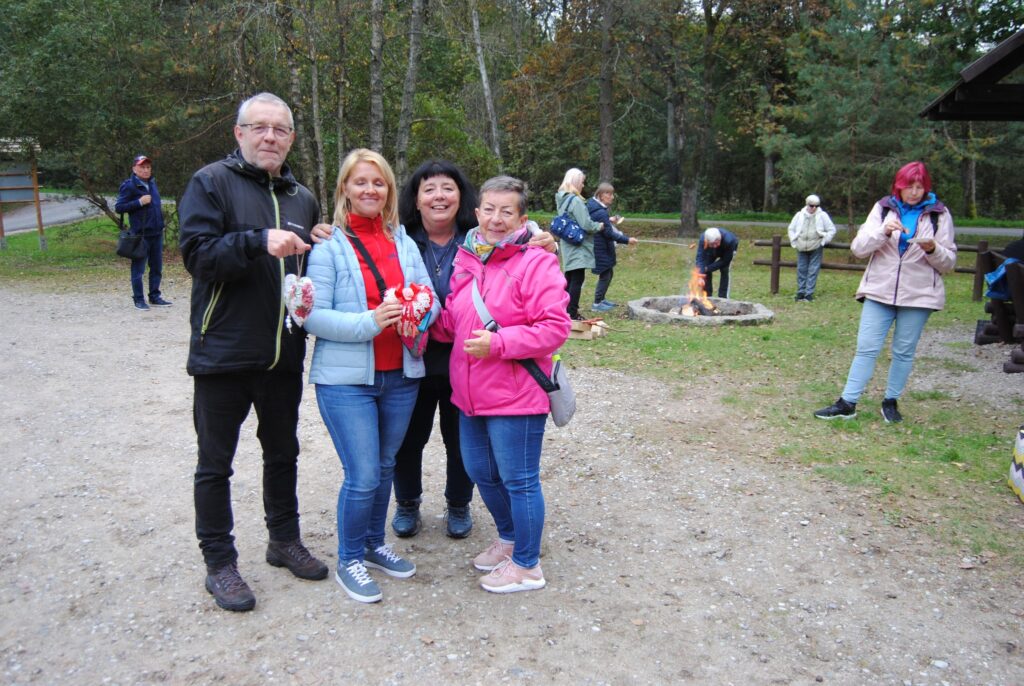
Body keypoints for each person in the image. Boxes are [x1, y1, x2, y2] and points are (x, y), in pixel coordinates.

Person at [179, 92, 330, 613]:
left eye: (280, 129)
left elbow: (301, 272)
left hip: (282, 353)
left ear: (291, 138)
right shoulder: (211, 182)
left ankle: (283, 540)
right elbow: (196, 256)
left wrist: (320, 243)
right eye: (259, 127)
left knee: (282, 452)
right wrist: (255, 241)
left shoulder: (302, 197)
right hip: (223, 351)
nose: (270, 137)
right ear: (239, 134)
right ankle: (219, 563)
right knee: (214, 464)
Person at [391, 160, 558, 540]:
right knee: (410, 439)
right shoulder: (400, 240)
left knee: (463, 446)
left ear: (462, 198)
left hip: (471, 364)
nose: (439, 196)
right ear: (415, 199)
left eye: (447, 187)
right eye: (428, 188)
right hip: (416, 358)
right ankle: (407, 503)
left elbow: (544, 306)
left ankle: (459, 504)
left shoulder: (480, 240)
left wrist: (545, 243)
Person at [304, 149, 441, 604]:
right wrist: (371, 321)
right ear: (344, 188)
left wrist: (420, 312)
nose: (370, 190)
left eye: (378, 183)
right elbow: (313, 317)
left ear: (388, 191)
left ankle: (371, 543)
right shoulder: (328, 246)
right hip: (346, 383)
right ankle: (349, 559)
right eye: (360, 182)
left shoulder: (404, 242)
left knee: (384, 467)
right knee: (362, 475)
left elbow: (431, 297)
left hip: (401, 376)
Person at [434, 175, 571, 593]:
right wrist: (420, 320)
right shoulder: (467, 259)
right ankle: (511, 539)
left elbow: (555, 327)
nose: (496, 219)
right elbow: (455, 321)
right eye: (489, 209)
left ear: (521, 218)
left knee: (519, 478)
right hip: (471, 394)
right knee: (480, 470)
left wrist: (499, 343)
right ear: (476, 213)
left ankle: (528, 565)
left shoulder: (536, 262)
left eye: (506, 212)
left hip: (517, 393)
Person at [814, 161, 957, 423]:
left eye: (919, 187)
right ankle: (848, 402)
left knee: (904, 351)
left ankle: (890, 401)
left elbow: (949, 262)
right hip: (879, 291)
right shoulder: (883, 209)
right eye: (909, 187)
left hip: (919, 295)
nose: (914, 192)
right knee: (866, 348)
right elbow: (858, 249)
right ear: (898, 187)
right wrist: (883, 231)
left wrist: (932, 248)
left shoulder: (939, 214)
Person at [115, 154, 170, 310]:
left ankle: (155, 296)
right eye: (142, 167)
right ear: (134, 169)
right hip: (141, 235)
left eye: (148, 167)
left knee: (157, 267)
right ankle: (139, 300)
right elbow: (119, 207)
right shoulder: (129, 186)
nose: (146, 170)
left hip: (156, 233)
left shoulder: (152, 183)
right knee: (138, 269)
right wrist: (139, 202)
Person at [555, 168, 604, 320]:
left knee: (569, 279)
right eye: (582, 182)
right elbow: (586, 224)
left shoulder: (562, 199)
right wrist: (599, 226)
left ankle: (564, 310)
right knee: (577, 280)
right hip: (578, 246)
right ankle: (572, 313)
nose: (583, 185)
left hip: (567, 244)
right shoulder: (575, 200)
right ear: (576, 182)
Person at [586, 182, 637, 312]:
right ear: (602, 195)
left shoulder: (596, 208)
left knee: (608, 272)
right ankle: (597, 304)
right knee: (605, 274)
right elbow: (609, 234)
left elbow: (598, 221)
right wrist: (627, 240)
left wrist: (609, 219)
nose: (612, 197)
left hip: (600, 246)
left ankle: (601, 299)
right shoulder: (600, 212)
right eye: (609, 194)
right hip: (600, 247)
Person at [787, 194, 837, 302]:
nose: (814, 208)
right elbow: (791, 228)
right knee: (801, 269)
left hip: (816, 246)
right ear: (807, 204)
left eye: (816, 206)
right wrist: (793, 240)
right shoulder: (799, 215)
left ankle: (808, 294)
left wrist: (824, 241)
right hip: (801, 246)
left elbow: (831, 229)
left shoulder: (822, 215)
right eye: (811, 205)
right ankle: (800, 292)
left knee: (813, 270)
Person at [695, 227, 739, 298]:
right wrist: (700, 274)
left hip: (726, 250)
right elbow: (700, 257)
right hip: (711, 250)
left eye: (716, 243)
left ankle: (723, 297)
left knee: (724, 270)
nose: (715, 246)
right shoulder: (703, 239)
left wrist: (708, 268)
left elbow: (725, 261)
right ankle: (708, 296)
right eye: (712, 244)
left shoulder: (730, 241)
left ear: (720, 238)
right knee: (704, 269)